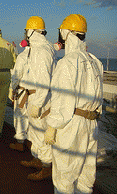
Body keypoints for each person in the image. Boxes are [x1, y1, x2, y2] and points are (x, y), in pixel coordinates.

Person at [46, 14, 103, 193]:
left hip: (72, 124)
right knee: (86, 175)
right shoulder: (95, 61)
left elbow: (62, 100)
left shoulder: (67, 63)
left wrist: (52, 127)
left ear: (67, 33)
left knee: (64, 176)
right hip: (91, 123)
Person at [9, 16, 56, 180]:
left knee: (41, 134)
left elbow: (43, 80)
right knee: (35, 133)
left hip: (39, 100)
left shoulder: (41, 51)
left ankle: (46, 167)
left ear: (31, 31)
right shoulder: (40, 49)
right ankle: (38, 160)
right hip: (34, 97)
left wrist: (37, 104)